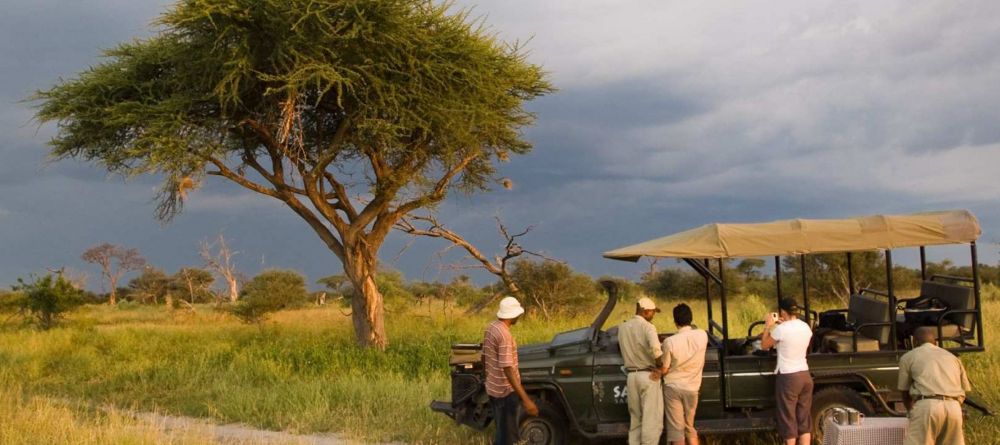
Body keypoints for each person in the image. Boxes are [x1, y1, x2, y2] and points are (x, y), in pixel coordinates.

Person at [898, 328, 971, 445]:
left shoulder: (908, 357)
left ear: (914, 342)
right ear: (935, 342)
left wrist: (911, 411)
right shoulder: (952, 357)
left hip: (927, 406)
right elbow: (965, 389)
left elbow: (904, 391)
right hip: (954, 407)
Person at [483, 296, 538, 445]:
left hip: (493, 388)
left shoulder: (491, 327)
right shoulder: (505, 336)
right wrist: (527, 400)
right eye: (518, 314)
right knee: (509, 437)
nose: (519, 317)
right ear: (513, 315)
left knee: (501, 431)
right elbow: (508, 369)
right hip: (505, 393)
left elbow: (485, 356)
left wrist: (488, 377)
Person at [761, 298, 813, 445]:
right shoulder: (805, 327)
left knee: (788, 419)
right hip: (805, 374)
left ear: (783, 312)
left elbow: (764, 345)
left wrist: (768, 326)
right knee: (804, 421)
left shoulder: (781, 329)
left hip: (789, 377)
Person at [659, 303, 708, 445]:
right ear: (691, 319)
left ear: (675, 322)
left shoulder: (669, 342)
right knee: (689, 427)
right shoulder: (702, 335)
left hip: (673, 388)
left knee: (676, 431)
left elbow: (665, 368)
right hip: (692, 389)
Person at [618, 297, 665, 445]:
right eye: (652, 312)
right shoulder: (648, 327)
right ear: (645, 311)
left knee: (636, 420)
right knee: (651, 420)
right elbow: (656, 351)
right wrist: (660, 367)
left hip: (631, 376)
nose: (653, 315)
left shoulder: (623, 327)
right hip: (648, 376)